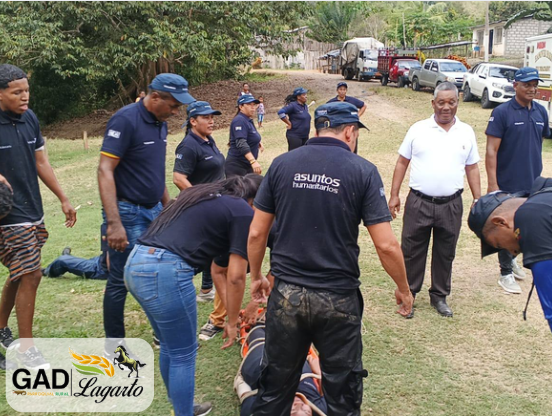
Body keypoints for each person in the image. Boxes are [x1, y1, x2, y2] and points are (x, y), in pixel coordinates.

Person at [247, 102, 413, 415]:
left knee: (274, 390)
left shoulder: (281, 165)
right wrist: (403, 288)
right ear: (350, 131)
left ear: (317, 128)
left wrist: (257, 276)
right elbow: (387, 245)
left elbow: (256, 233)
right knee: (342, 393)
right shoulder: (362, 170)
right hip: (337, 298)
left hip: (286, 295)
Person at [124, 175, 263, 416]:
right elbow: (236, 277)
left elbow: (219, 267)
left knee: (169, 345)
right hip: (166, 271)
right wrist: (232, 322)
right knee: (183, 354)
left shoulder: (201, 195)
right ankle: (183, 411)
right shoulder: (242, 211)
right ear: (255, 201)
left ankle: (182, 406)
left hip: (136, 262)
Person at [98, 73, 195, 356]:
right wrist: (114, 223)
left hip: (153, 209)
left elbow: (153, 170)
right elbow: (105, 170)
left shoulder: (159, 123)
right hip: (126, 212)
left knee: (156, 272)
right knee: (120, 280)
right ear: (155, 97)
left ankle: (160, 334)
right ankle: (114, 344)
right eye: (173, 105)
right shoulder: (125, 120)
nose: (176, 112)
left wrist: (167, 206)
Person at [0, 64, 77, 370]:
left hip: (32, 207)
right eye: (16, 92)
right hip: (6, 214)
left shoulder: (29, 118)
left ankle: (1, 328)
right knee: (31, 273)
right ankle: (27, 348)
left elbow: (41, 161)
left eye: (26, 90)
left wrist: (63, 197)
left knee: (20, 273)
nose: (25, 97)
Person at [389, 82, 481, 318]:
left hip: (451, 204)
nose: (446, 107)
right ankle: (409, 293)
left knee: (445, 251)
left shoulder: (466, 132)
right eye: (441, 102)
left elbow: (472, 167)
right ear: (433, 103)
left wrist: (478, 198)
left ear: (458, 103)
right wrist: (394, 194)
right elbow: (402, 162)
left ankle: (439, 296)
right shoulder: (418, 129)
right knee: (411, 250)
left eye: (451, 102)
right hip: (418, 202)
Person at [485, 67, 550, 294]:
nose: (532, 89)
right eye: (526, 85)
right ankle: (505, 273)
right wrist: (493, 185)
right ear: (515, 86)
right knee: (507, 226)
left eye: (534, 85)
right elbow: (491, 151)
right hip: (508, 182)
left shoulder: (541, 112)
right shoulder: (502, 112)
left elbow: (539, 141)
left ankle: (513, 260)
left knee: (525, 226)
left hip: (533, 182)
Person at [468, 176, 552, 333]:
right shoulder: (544, 197)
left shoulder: (532, 222)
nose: (511, 252)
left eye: (499, 245)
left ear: (500, 222)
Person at [173, 100, 225, 303]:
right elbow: (178, 178)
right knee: (200, 250)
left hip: (217, 204)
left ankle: (206, 290)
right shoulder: (188, 145)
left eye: (212, 117)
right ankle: (175, 283)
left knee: (213, 247)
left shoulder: (208, 140)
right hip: (202, 208)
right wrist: (201, 198)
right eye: (206, 118)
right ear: (193, 121)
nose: (211, 121)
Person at [236, 322, 327, 416]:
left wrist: (240, 385)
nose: (299, 404)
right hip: (294, 357)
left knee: (259, 331)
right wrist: (319, 372)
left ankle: (257, 324)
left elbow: (245, 394)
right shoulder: (320, 410)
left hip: (262, 363)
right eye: (306, 411)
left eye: (293, 411)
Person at [42, 225, 108, 280]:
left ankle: (46, 271)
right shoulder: (109, 224)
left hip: (101, 269)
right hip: (101, 260)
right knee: (85, 261)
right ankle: (68, 258)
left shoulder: (111, 226)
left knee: (62, 261)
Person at [225, 95, 263, 178]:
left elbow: (250, 135)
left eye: (254, 104)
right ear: (241, 107)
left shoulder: (247, 120)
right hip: (237, 166)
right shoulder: (239, 120)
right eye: (249, 104)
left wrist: (258, 142)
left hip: (247, 165)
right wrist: (253, 161)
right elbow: (241, 142)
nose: (252, 107)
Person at [327, 82, 367, 154]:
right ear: (337, 90)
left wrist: (357, 116)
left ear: (346, 91)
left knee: (352, 150)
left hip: (350, 128)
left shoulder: (351, 100)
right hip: (338, 129)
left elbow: (363, 106)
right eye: (340, 89)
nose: (342, 91)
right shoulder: (331, 102)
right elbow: (325, 112)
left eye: (344, 89)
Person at [277, 87, 311, 151]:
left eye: (306, 94)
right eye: (304, 95)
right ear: (298, 97)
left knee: (304, 154)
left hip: (305, 136)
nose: (306, 96)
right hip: (295, 136)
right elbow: (280, 112)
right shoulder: (293, 105)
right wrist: (289, 123)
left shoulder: (305, 106)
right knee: (294, 154)